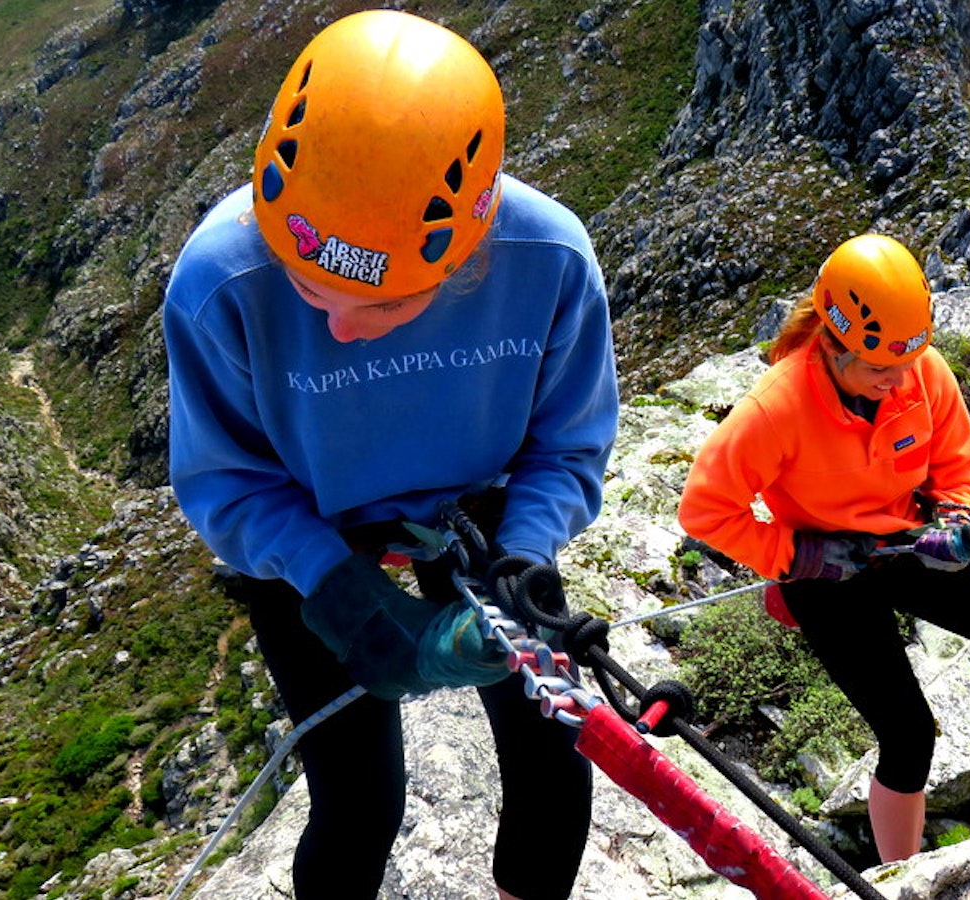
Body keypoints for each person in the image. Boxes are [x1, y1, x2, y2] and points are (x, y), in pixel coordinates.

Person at [163, 10, 618, 900]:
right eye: (306, 286)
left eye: (381, 307)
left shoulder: (549, 259)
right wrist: (333, 584)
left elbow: (567, 444)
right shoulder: (220, 280)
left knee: (557, 758)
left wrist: (525, 550)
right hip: (308, 520)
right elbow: (226, 480)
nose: (336, 327)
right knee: (359, 799)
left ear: (468, 257)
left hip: (481, 511)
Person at [676, 234, 970, 863]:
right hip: (827, 580)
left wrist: (955, 515)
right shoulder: (776, 408)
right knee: (907, 736)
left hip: (909, 543)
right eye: (880, 369)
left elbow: (954, 459)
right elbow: (706, 509)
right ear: (833, 343)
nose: (899, 381)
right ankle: (898, 878)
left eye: (906, 364)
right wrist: (795, 557)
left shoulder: (920, 371)